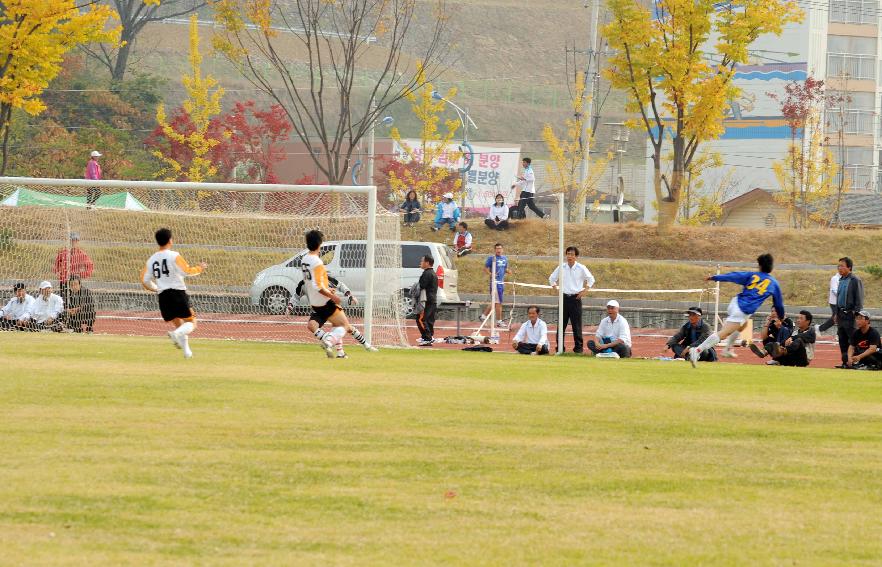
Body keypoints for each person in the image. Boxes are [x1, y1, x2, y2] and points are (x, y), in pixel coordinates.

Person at [690, 253, 785, 367]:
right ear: (771, 266)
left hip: (735, 302)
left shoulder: (752, 275)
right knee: (723, 333)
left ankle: (727, 349)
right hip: (742, 310)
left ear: (759, 266)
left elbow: (733, 276)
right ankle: (697, 351)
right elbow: (778, 304)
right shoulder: (774, 283)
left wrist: (715, 277)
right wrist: (781, 316)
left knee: (742, 326)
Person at [301, 229, 377, 358]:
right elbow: (317, 286)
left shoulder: (304, 259)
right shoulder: (317, 262)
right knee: (344, 326)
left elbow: (312, 282)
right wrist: (332, 296)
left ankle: (342, 353)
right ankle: (329, 341)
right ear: (320, 244)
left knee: (338, 325)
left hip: (315, 302)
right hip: (324, 301)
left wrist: (327, 289)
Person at [140, 228, 207, 359]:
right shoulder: (174, 255)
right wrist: (200, 268)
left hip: (163, 296)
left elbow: (144, 280)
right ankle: (176, 335)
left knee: (178, 323)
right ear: (170, 240)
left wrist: (156, 288)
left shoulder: (151, 260)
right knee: (192, 322)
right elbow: (186, 271)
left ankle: (187, 352)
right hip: (177, 293)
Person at [548, 246, 595, 353]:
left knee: (576, 325)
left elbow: (591, 279)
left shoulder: (581, 268)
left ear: (576, 256)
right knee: (561, 325)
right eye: (568, 254)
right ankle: (560, 348)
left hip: (575, 299)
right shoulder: (561, 267)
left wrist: (584, 291)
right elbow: (552, 278)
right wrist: (556, 289)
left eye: (572, 254)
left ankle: (578, 349)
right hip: (564, 298)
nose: (569, 256)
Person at [750, 310, 815, 367]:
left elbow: (803, 336)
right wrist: (775, 345)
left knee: (799, 340)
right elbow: (765, 337)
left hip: (803, 360)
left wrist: (791, 338)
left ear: (808, 321)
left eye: (801, 318)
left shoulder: (811, 331)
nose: (798, 320)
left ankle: (779, 356)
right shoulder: (795, 332)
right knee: (771, 341)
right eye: (798, 318)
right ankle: (764, 352)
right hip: (792, 358)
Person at [832, 257, 864, 368]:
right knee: (842, 340)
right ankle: (845, 362)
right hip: (841, 315)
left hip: (850, 315)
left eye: (842, 266)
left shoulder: (855, 280)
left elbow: (859, 300)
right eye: (838, 266)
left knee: (853, 341)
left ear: (849, 267)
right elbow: (838, 298)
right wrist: (836, 313)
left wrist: (856, 315)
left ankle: (855, 362)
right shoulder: (841, 280)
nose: (839, 268)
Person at [54, 232, 94, 302]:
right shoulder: (62, 253)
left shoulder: (82, 254)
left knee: (75, 301)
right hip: (64, 282)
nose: (73, 243)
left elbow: (90, 267)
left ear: (78, 242)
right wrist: (58, 273)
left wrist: (80, 275)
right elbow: (56, 265)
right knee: (64, 301)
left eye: (75, 240)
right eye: (72, 240)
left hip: (75, 282)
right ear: (68, 241)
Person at [480, 243, 511, 328]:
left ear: (502, 249)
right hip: (495, 283)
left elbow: (505, 269)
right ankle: (499, 321)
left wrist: (508, 271)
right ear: (495, 250)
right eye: (497, 248)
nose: (499, 250)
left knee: (495, 302)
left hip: (501, 283)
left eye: (500, 248)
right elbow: (485, 268)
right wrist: (491, 274)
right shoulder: (491, 258)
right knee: (498, 303)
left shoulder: (505, 258)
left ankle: (483, 316)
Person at [416, 255, 439, 347]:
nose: (420, 263)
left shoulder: (427, 273)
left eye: (422, 261)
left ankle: (427, 338)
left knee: (421, 319)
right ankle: (429, 336)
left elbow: (421, 286)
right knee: (429, 320)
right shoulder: (433, 273)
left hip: (427, 301)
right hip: (433, 300)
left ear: (427, 263)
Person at [815, 270, 841, 336]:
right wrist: (843, 295)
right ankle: (839, 335)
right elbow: (834, 290)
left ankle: (819, 328)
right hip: (834, 303)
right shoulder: (835, 278)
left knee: (835, 319)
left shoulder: (845, 278)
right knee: (838, 318)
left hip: (841, 303)